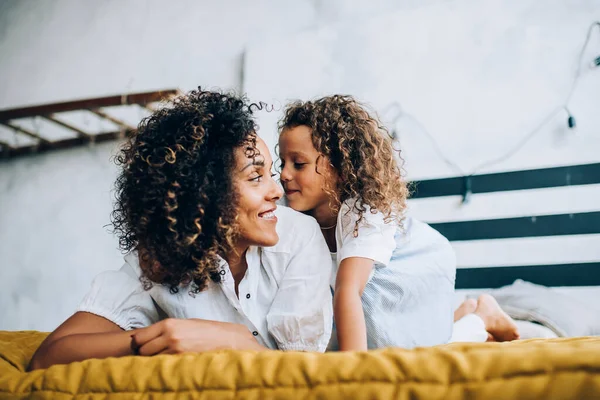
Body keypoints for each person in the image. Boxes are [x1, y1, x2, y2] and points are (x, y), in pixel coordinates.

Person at [29, 89, 333, 370]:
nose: (276, 191)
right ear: (204, 193)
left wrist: (232, 341)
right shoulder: (159, 260)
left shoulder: (298, 236)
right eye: (256, 177)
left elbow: (301, 374)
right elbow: (49, 357)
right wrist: (163, 337)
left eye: (270, 173)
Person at [277, 95, 519, 351]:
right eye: (282, 162)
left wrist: (349, 379)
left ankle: (481, 318)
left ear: (338, 167)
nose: (284, 174)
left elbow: (347, 293)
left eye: (299, 164)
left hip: (414, 263)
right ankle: (466, 312)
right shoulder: (289, 212)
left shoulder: (364, 211)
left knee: (408, 352)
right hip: (364, 280)